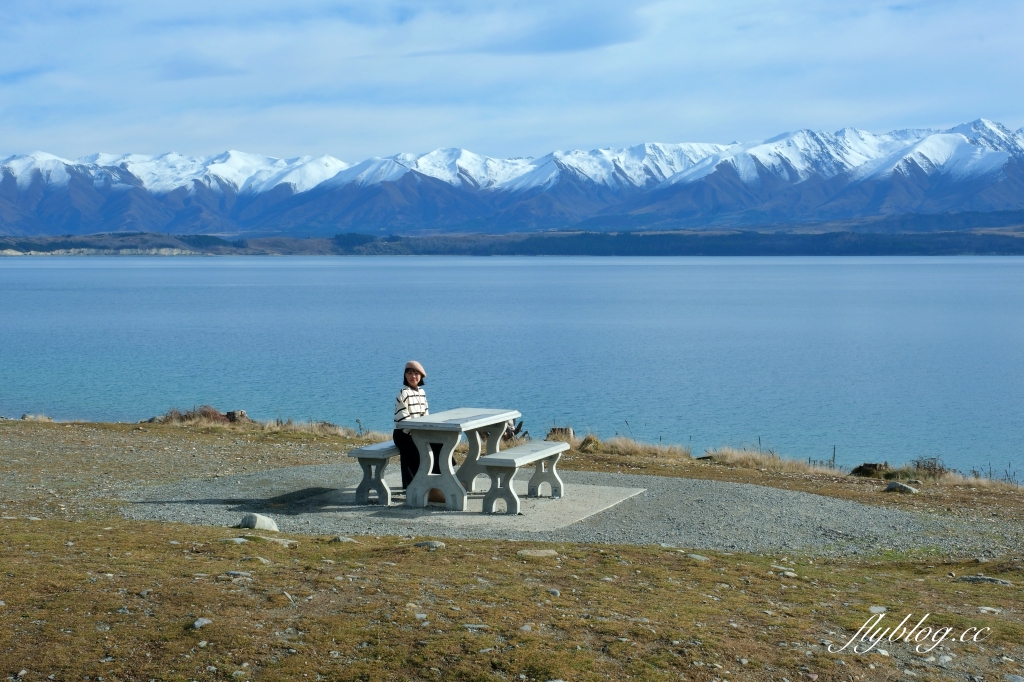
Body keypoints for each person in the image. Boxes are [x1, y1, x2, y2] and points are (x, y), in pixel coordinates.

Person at [393, 360, 446, 502]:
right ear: (405, 375)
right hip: (403, 433)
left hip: (417, 433)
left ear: (421, 377)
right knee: (423, 450)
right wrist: (420, 435)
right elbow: (404, 421)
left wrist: (426, 433)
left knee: (439, 447)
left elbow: (426, 416)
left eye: (416, 374)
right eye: (409, 373)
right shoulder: (403, 393)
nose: (413, 377)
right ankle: (426, 488)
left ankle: (439, 484)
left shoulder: (421, 393)